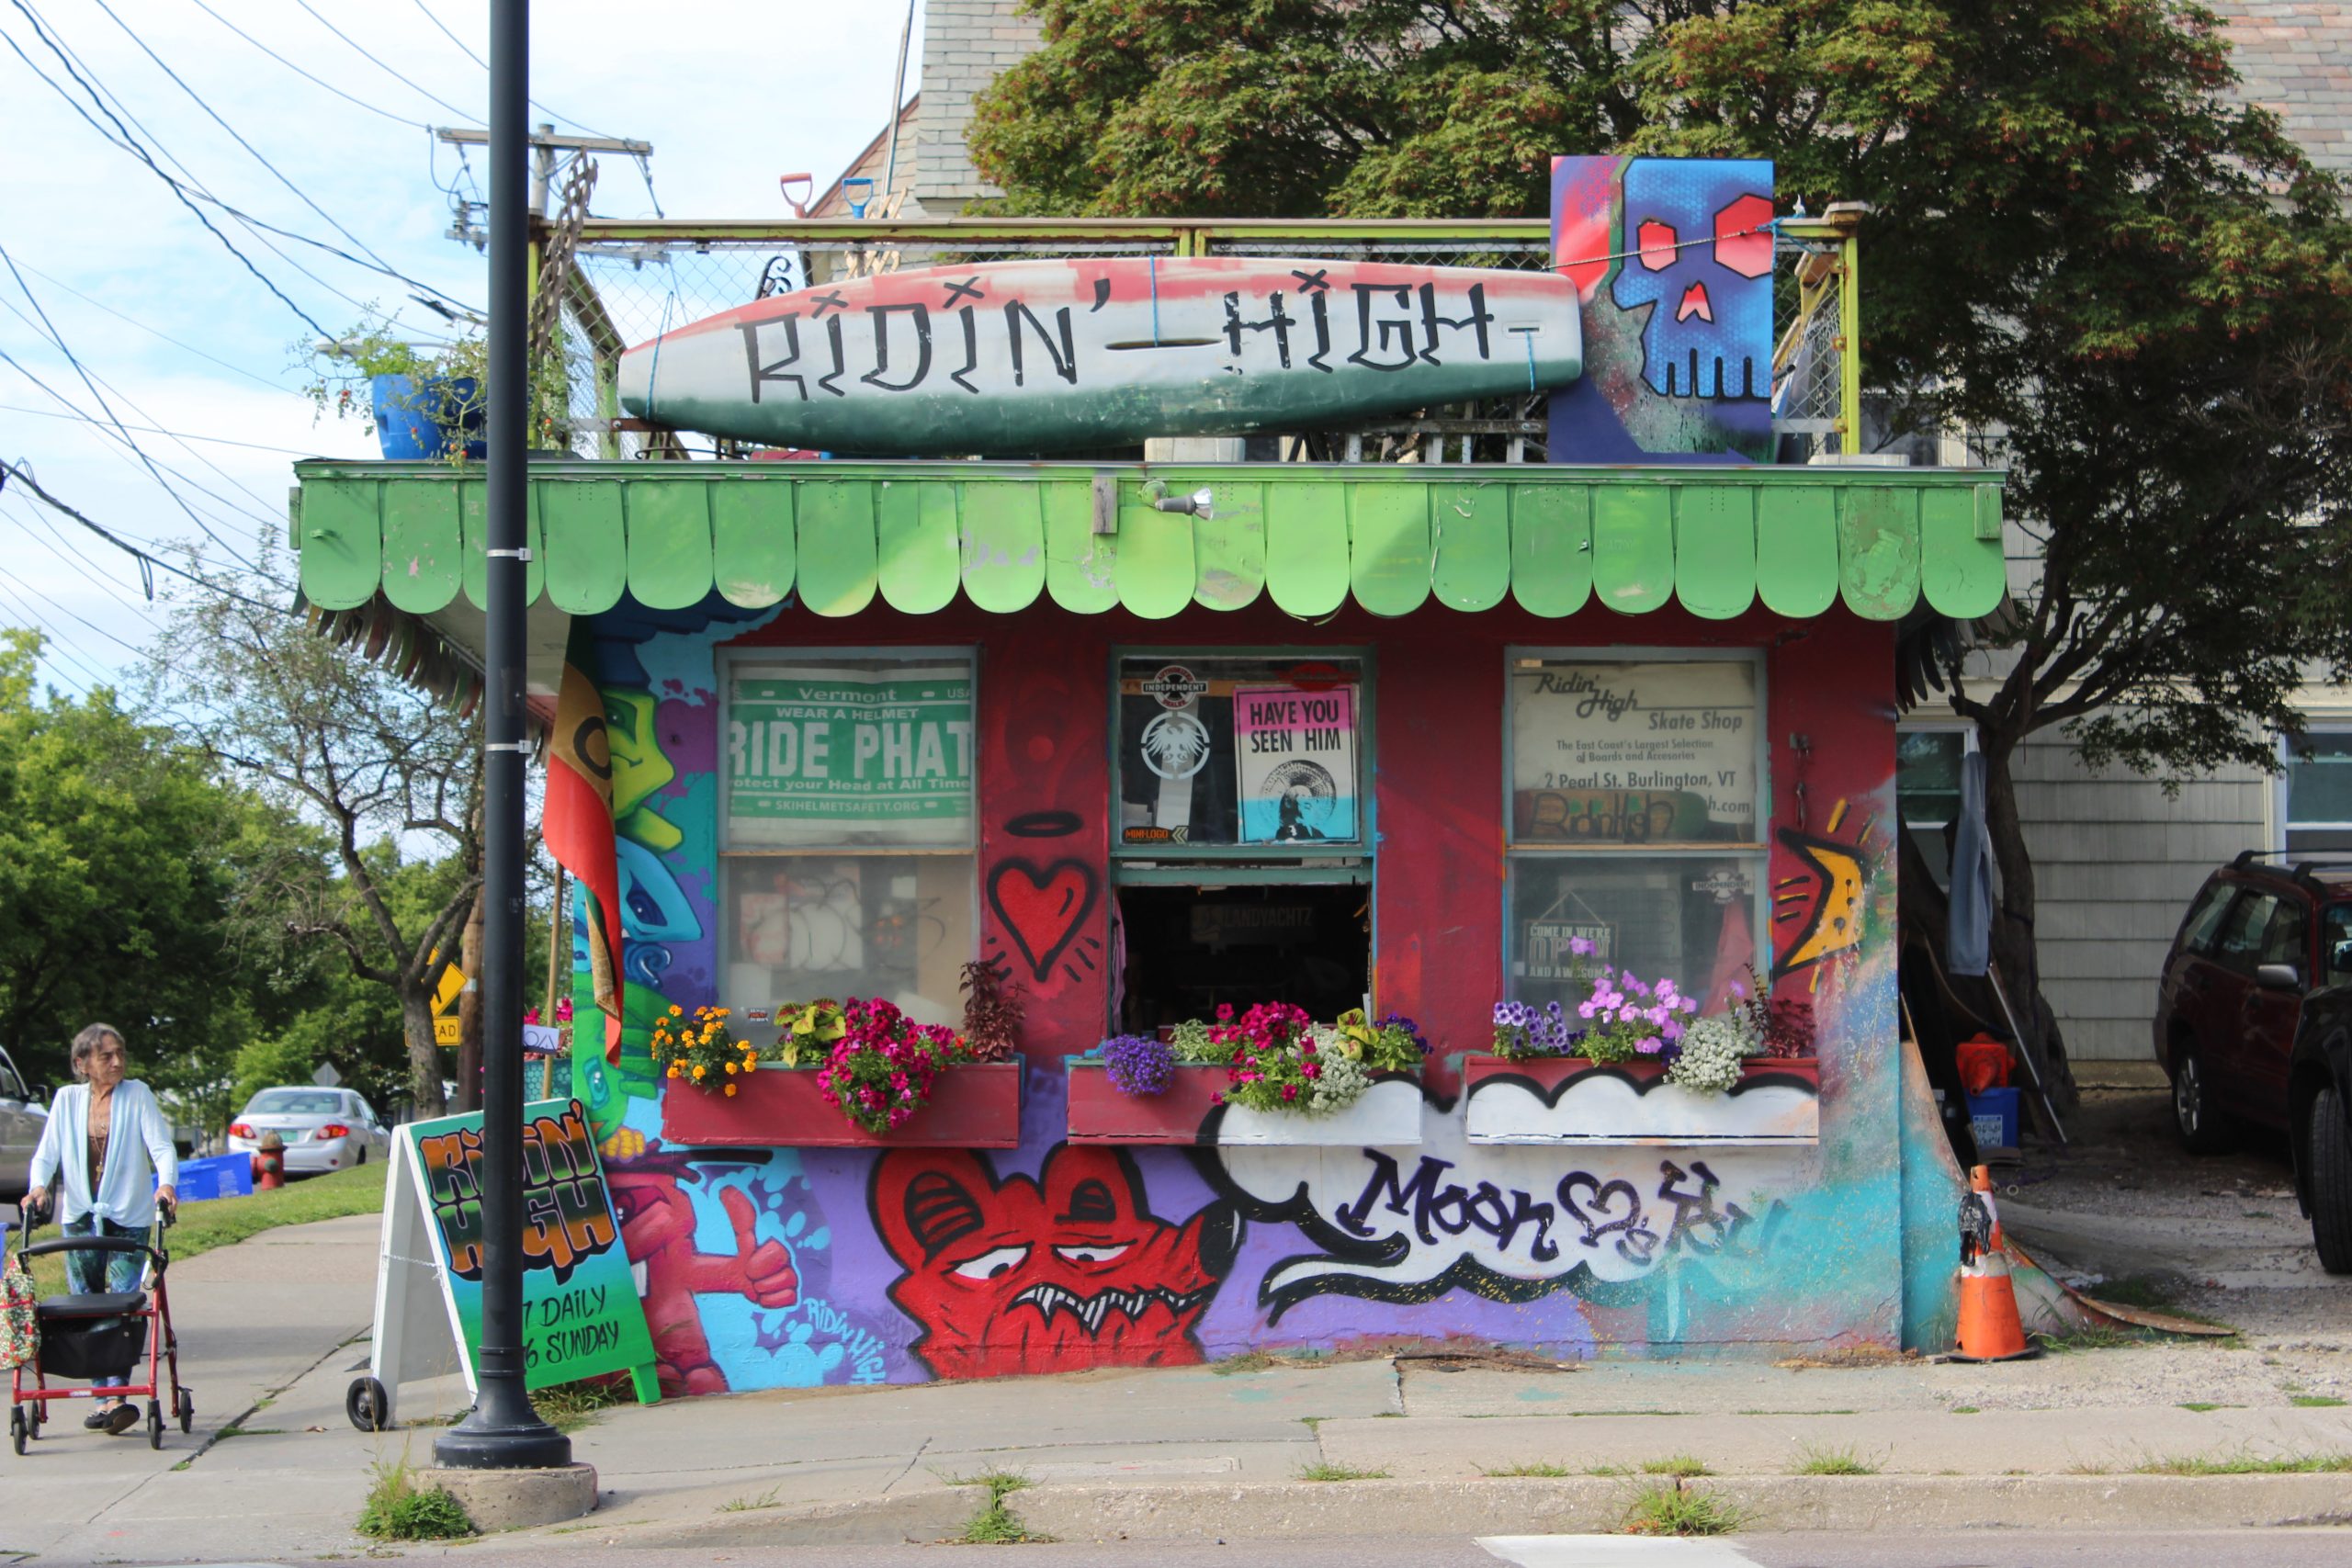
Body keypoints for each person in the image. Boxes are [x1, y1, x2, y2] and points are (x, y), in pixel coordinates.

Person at [23, 1024, 176, 1436]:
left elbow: (161, 1146)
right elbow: (46, 1155)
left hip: (128, 1217)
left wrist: (166, 1183)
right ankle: (101, 1396)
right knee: (86, 1304)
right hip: (79, 1217)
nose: (117, 1061)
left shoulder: (137, 1094)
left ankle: (118, 1396)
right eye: (106, 1055)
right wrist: (37, 1187)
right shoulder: (67, 1099)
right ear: (82, 1064)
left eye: (120, 1053)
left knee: (120, 1302)